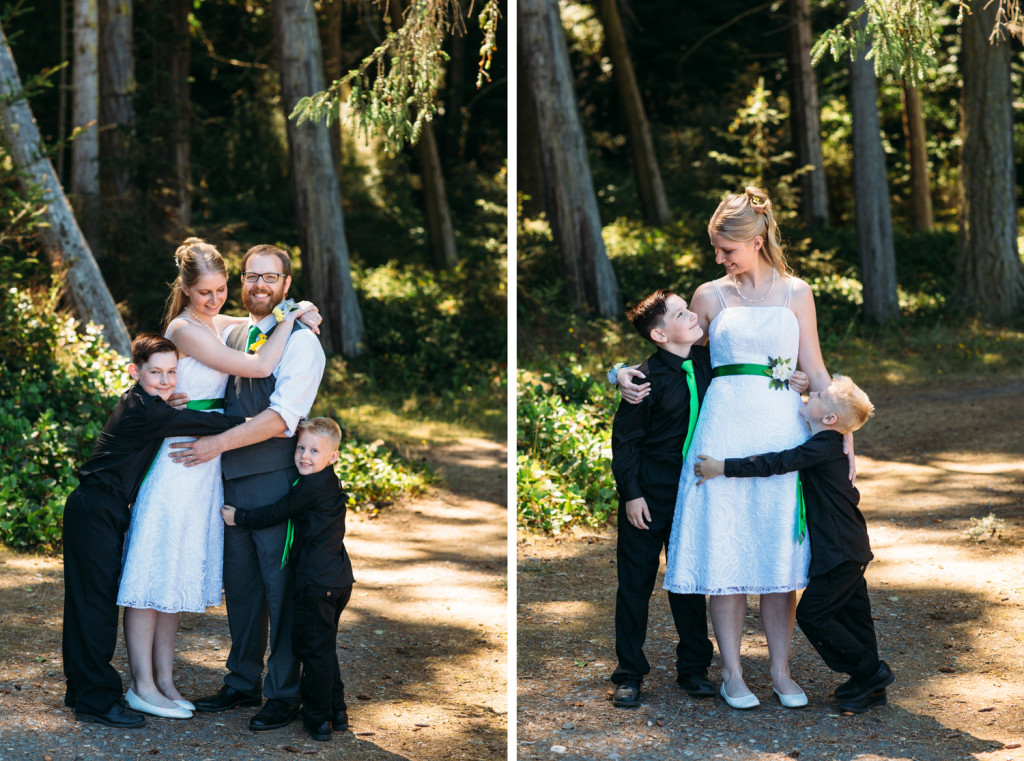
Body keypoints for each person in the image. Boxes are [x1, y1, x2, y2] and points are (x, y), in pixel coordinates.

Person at [618, 187, 852, 710]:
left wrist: (843, 435)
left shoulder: (797, 293)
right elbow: (667, 349)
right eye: (717, 249)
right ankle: (730, 672)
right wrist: (620, 374)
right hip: (721, 432)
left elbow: (815, 369)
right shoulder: (709, 295)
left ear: (759, 237)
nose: (719, 259)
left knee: (776, 553)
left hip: (781, 432)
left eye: (727, 249)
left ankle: (781, 670)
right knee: (724, 550)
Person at [115, 239, 319, 720]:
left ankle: (164, 681)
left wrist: (300, 307)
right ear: (185, 291)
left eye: (221, 288)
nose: (214, 299)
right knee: (153, 569)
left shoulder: (220, 324)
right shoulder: (185, 328)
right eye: (203, 291)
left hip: (208, 471)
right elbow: (258, 364)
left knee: (176, 574)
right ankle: (141, 683)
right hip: (180, 461)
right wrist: (292, 318)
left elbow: (257, 323)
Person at [179, 244, 327, 733]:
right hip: (229, 485)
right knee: (241, 590)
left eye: (271, 278)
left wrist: (216, 443)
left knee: (279, 589)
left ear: (286, 285)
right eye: (251, 277)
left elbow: (281, 419)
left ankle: (282, 693)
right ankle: (241, 680)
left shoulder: (303, 343)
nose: (259, 285)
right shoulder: (238, 331)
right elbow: (191, 332)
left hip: (274, 483)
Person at [62, 335, 245, 728]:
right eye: (155, 372)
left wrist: (171, 400)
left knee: (84, 604)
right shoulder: (148, 411)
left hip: (95, 508)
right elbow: (209, 422)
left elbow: (181, 412)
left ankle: (80, 689)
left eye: (172, 372)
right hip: (96, 510)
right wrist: (258, 423)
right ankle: (97, 701)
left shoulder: (145, 402)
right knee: (95, 609)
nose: (165, 380)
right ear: (135, 371)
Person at [694, 375, 894, 713]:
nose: (811, 394)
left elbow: (777, 462)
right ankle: (868, 684)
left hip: (840, 550)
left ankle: (872, 673)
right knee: (855, 614)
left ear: (829, 419)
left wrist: (722, 467)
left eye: (818, 395)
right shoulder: (832, 446)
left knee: (814, 614)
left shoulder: (823, 446)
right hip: (850, 546)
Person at [221, 417, 354, 741]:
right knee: (323, 647)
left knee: (312, 650)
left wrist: (239, 517)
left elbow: (276, 513)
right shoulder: (328, 482)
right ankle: (337, 711)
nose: (304, 456)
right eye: (301, 448)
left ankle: (317, 719)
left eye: (314, 451)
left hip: (315, 583)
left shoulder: (310, 487)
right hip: (337, 579)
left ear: (333, 456)